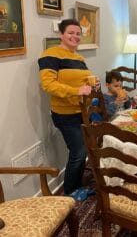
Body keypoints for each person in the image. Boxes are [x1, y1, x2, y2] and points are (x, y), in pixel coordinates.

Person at [38, 19, 94, 200]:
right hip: (65, 114)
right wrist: (76, 91)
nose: (75, 37)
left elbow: (82, 80)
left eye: (78, 34)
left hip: (82, 112)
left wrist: (92, 83)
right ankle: (70, 191)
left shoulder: (78, 57)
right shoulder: (50, 54)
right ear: (61, 34)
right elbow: (48, 84)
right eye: (71, 32)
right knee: (78, 153)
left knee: (83, 151)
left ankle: (78, 186)